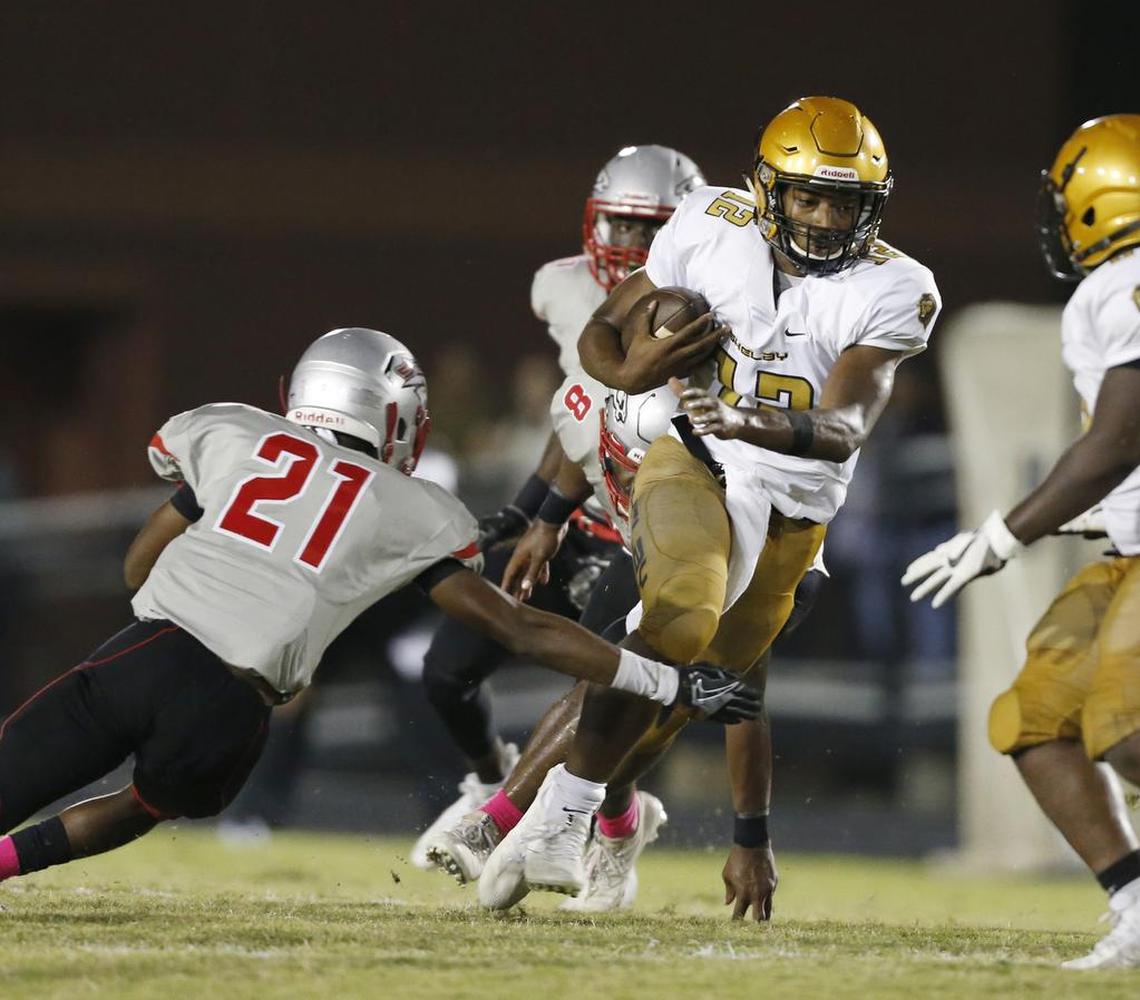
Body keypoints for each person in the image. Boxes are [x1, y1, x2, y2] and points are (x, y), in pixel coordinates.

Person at [0, 327, 759, 886]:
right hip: (234, 707)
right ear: (394, 415)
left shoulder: (233, 434)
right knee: (142, 805)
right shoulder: (409, 505)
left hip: (149, 650)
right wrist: (669, 682)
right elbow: (519, 628)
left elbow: (142, 560)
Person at [476, 95, 942, 914]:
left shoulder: (896, 286)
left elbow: (844, 425)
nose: (828, 218)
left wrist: (750, 836)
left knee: (704, 690)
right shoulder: (710, 224)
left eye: (845, 202)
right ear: (770, 191)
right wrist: (626, 375)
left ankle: (561, 809)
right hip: (695, 457)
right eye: (809, 197)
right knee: (681, 614)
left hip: (795, 506)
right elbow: (603, 329)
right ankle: (561, 819)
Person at [410, 146, 706, 868]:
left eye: (653, 230)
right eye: (621, 225)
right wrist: (533, 516)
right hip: (578, 506)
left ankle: (588, 822)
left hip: (652, 529)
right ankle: (490, 781)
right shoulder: (560, 287)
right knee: (448, 668)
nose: (632, 247)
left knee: (600, 692)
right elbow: (578, 414)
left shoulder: (710, 307)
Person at [903, 113, 1140, 971]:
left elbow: (1117, 440)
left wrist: (1005, 532)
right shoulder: (1114, 290)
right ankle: (1137, 902)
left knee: (1123, 726)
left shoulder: (1125, 284)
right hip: (1128, 552)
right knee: (1035, 719)